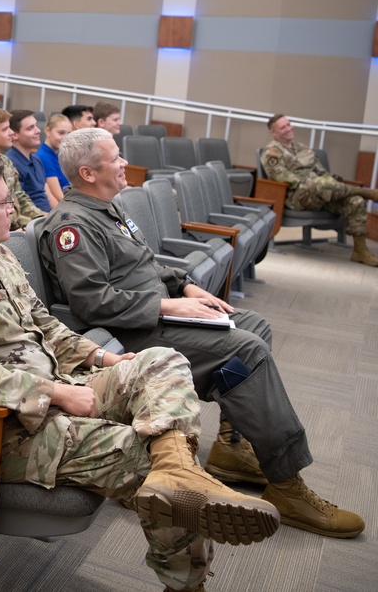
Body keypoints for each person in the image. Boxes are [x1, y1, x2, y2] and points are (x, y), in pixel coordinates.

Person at [0, 158, 280, 592]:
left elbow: (44, 324)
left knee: (162, 359)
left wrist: (102, 359)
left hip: (58, 388)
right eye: (4, 202)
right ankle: (186, 582)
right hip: (5, 430)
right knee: (148, 463)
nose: (13, 209)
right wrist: (57, 395)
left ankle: (177, 467)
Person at [38, 127, 365, 539]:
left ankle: (231, 444)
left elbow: (143, 265)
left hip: (157, 316)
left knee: (253, 325)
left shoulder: (107, 208)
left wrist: (185, 285)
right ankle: (286, 484)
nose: (124, 163)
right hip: (132, 334)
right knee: (247, 350)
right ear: (87, 172)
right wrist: (168, 305)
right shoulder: (73, 225)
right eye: (115, 158)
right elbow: (90, 302)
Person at [262, 113, 378, 266]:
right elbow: (281, 177)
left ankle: (360, 251)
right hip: (296, 197)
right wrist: (312, 182)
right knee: (320, 183)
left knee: (354, 201)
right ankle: (366, 192)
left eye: (289, 124)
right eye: (283, 127)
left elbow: (323, 173)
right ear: (273, 132)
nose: (289, 129)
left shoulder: (303, 148)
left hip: (322, 194)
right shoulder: (271, 152)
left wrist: (325, 182)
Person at [0, 106, 46, 229]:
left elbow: (20, 196)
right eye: (5, 129)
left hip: (15, 226)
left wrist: (38, 218)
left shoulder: (6, 162)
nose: (11, 133)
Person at [6, 110, 51, 213]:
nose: (38, 130)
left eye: (36, 125)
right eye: (30, 128)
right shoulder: (11, 163)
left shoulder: (36, 160)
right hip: (33, 221)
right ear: (15, 135)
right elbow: (19, 205)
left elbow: (46, 194)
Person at [36, 113, 73, 209]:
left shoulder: (59, 154)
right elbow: (58, 196)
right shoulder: (44, 157)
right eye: (61, 133)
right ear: (48, 131)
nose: (65, 138)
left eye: (69, 133)